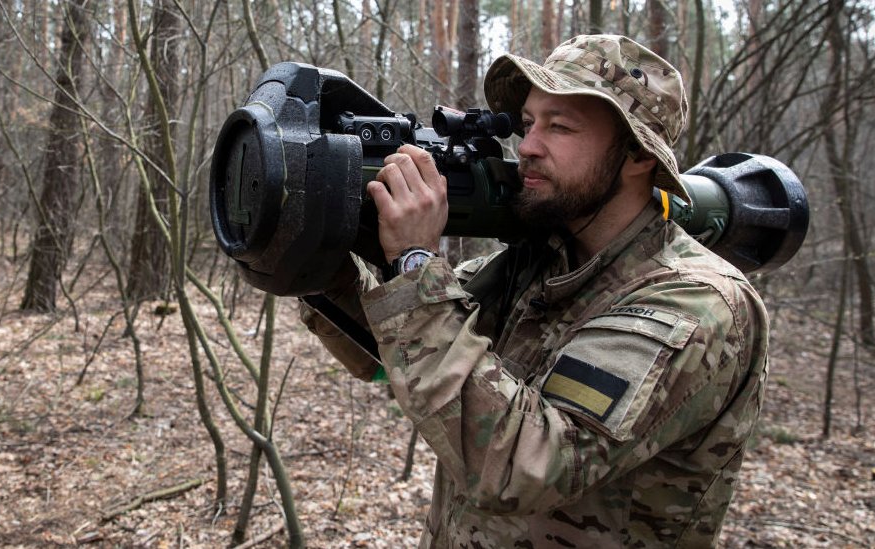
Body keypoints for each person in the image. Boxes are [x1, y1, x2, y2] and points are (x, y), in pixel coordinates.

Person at [301, 34, 768, 547]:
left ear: (637, 154)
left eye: (559, 127)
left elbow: (526, 465)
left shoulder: (692, 303)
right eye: (528, 124)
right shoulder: (538, 264)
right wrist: (313, 263)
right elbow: (391, 354)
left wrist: (416, 263)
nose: (526, 147)